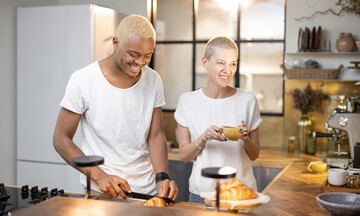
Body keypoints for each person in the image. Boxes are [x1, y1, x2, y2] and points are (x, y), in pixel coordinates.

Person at [53, 14, 178, 201]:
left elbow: (156, 135)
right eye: (133, 54)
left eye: (147, 56)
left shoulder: (153, 80)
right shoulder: (83, 80)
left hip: (147, 191)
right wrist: (99, 176)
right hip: (101, 191)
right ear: (115, 43)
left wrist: (162, 176)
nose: (140, 63)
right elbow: (61, 139)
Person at [174, 35, 262, 203]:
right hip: (202, 193)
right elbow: (184, 156)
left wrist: (245, 138)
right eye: (221, 63)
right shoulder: (187, 101)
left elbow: (254, 154)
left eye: (233, 64)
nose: (227, 70)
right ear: (205, 63)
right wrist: (204, 137)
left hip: (241, 192)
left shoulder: (248, 100)